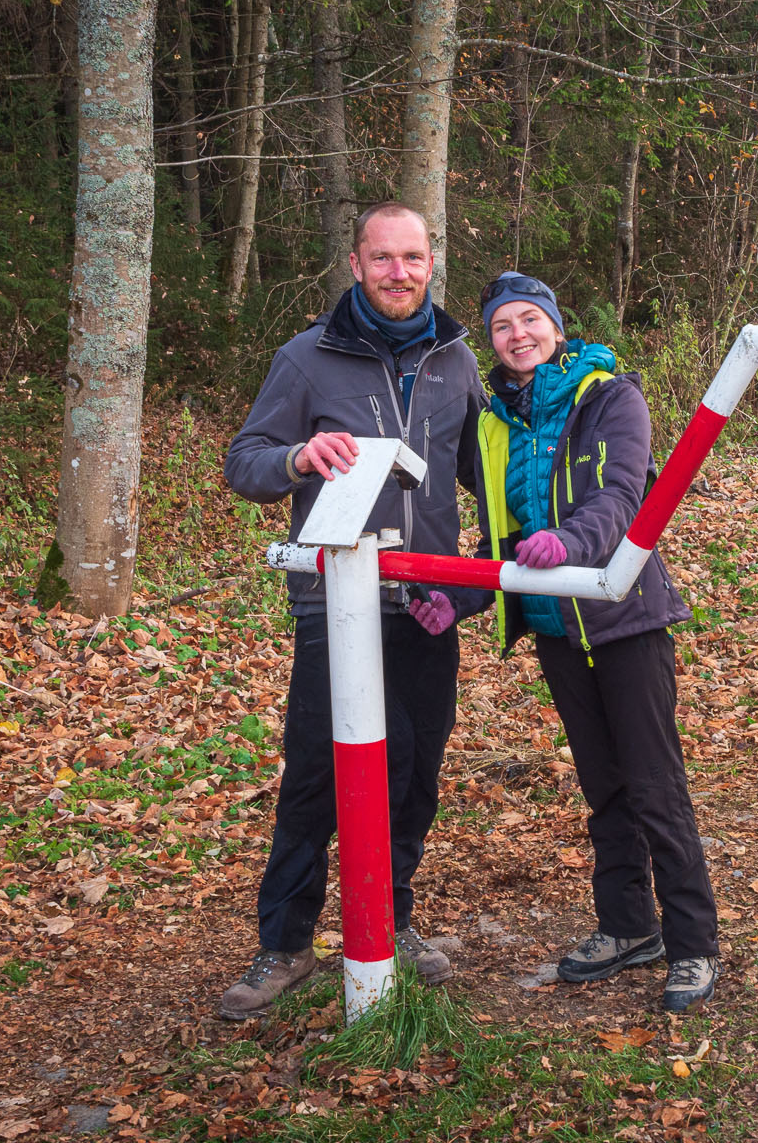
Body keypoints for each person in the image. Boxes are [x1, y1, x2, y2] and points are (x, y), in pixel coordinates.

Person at [218, 202, 485, 1020]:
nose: (398, 272)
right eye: (383, 258)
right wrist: (299, 456)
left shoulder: (458, 363)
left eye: (412, 257)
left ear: (431, 262)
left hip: (425, 607)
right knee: (315, 779)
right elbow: (245, 462)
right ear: (356, 263)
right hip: (334, 603)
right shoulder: (307, 359)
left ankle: (390, 922)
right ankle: (285, 945)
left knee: (414, 774)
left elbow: (490, 476)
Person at [467, 271, 720, 1012]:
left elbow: (621, 496)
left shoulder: (610, 395)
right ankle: (627, 927)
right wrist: (453, 601)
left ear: (555, 324)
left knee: (653, 786)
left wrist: (567, 542)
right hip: (554, 626)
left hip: (623, 618)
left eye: (528, 320)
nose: (518, 335)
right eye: (502, 327)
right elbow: (499, 540)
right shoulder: (496, 423)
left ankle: (694, 942)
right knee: (603, 787)